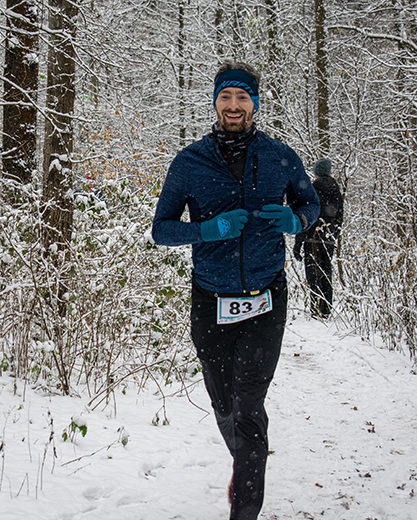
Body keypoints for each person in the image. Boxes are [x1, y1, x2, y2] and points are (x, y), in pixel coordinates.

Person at [150, 60, 320, 520]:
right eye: (226, 96)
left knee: (248, 404)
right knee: (225, 405)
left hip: (267, 297)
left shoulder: (281, 157)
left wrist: (297, 219)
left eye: (242, 97)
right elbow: (161, 229)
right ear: (215, 102)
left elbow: (311, 201)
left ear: (255, 104)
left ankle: (245, 504)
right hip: (211, 300)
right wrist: (207, 230)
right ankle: (247, 457)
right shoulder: (189, 163)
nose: (233, 105)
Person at [293, 158, 344, 318]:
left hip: (312, 239)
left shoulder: (312, 190)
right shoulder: (336, 191)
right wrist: (333, 234)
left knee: (313, 274)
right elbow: (340, 217)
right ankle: (326, 309)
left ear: (316, 172)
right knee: (326, 272)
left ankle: (316, 309)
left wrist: (298, 243)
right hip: (328, 238)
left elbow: (306, 218)